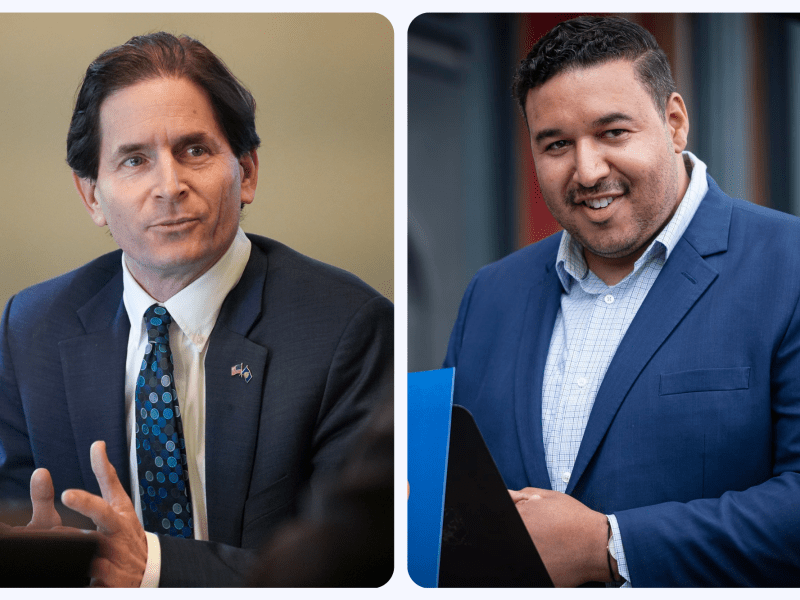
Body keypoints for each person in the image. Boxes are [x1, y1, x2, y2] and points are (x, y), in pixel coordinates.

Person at [0, 32, 393, 587]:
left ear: (247, 171)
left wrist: (153, 568)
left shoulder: (348, 329)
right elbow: (15, 521)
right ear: (92, 197)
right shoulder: (30, 327)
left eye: (194, 150)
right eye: (134, 160)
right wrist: (34, 564)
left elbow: (355, 569)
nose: (170, 186)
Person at [443, 15, 800, 587]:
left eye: (613, 133)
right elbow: (446, 485)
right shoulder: (490, 293)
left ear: (675, 122)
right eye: (557, 144)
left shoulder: (789, 264)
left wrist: (610, 546)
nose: (587, 170)